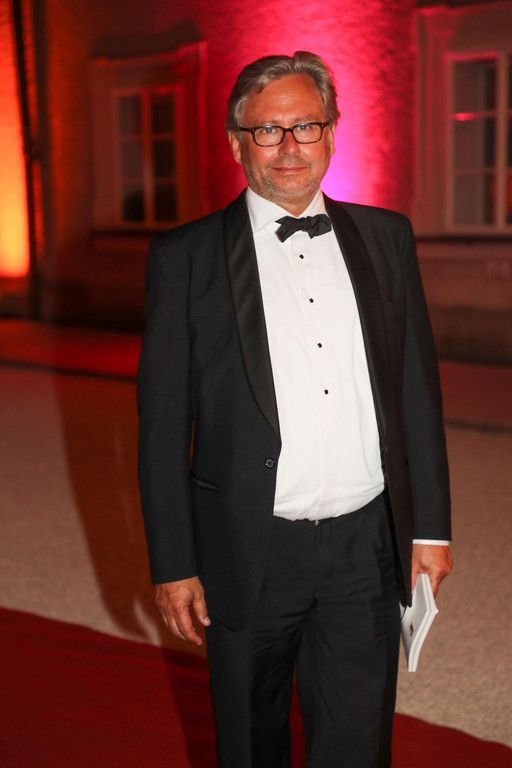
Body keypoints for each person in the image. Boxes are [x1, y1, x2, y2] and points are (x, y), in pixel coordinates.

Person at [137, 51, 453, 768]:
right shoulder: (185, 258)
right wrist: (174, 563)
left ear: (332, 134)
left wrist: (430, 528)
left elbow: (417, 392)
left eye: (305, 126)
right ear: (236, 143)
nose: (288, 146)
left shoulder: (386, 237)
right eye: (267, 130)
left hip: (365, 545)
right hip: (248, 546)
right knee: (251, 743)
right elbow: (161, 427)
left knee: (358, 743)